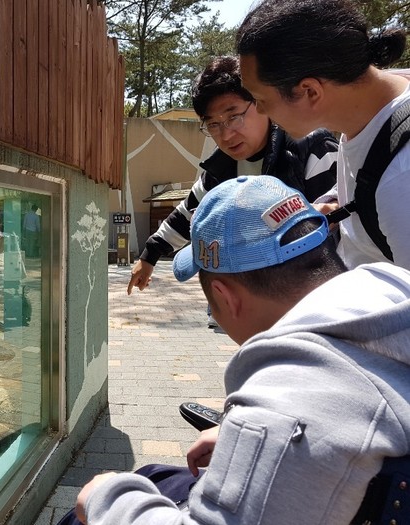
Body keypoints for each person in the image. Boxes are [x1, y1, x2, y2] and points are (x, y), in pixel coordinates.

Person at [67, 176, 410, 524]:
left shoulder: (290, 398)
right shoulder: (391, 292)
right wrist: (247, 434)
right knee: (158, 475)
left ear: (224, 297)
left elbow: (300, 418)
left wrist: (108, 498)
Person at [127, 56, 338, 298]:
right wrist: (149, 256)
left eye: (234, 117)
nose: (226, 134)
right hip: (258, 294)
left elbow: (339, 221)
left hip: (319, 293)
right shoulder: (219, 168)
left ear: (259, 103)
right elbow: (187, 215)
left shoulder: (311, 146)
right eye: (213, 124)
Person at [236, 0, 410, 270]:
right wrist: (335, 202)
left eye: (260, 98)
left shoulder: (403, 173)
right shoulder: (368, 115)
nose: (259, 110)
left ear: (309, 91)